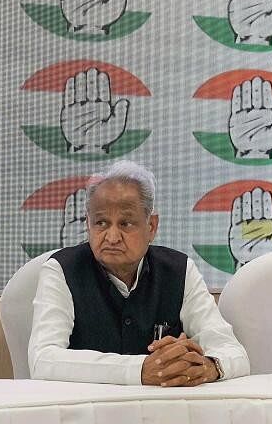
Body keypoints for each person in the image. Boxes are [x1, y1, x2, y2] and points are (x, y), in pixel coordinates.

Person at [29, 161, 249, 385]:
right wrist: (139, 370)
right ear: (88, 224)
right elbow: (43, 359)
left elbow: (233, 352)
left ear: (151, 226)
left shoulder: (179, 270)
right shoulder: (62, 270)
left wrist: (207, 366)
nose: (112, 237)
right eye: (101, 223)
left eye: (126, 223)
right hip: (84, 412)